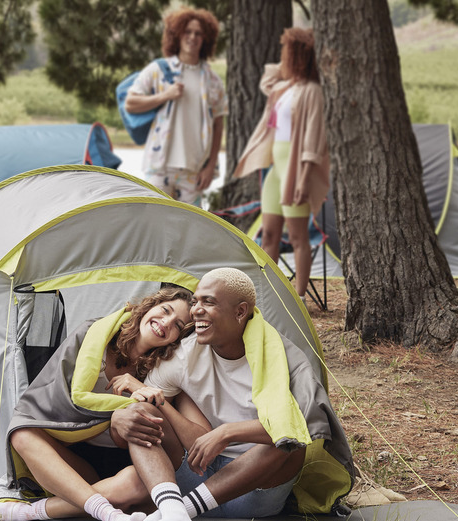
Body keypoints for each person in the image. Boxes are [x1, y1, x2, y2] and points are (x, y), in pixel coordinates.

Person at [109, 268, 355, 521]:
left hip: (257, 491)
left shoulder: (284, 358)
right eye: (196, 301)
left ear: (240, 312)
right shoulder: (183, 355)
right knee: (143, 410)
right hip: (194, 473)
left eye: (208, 302)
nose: (196, 311)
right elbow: (141, 415)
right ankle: (172, 513)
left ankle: (181, 513)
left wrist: (227, 433)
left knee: (288, 443)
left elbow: (304, 426)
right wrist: (127, 413)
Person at [0, 287, 194, 521]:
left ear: (176, 339)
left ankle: (21, 512)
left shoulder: (163, 369)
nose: (165, 323)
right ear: (148, 306)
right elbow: (49, 396)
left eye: (177, 325)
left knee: (137, 484)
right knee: (22, 434)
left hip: (118, 466)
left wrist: (140, 395)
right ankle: (109, 514)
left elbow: (167, 437)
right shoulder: (93, 335)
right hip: (73, 455)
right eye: (165, 310)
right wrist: (114, 412)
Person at [233, 28, 330, 304]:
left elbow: (314, 137)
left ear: (298, 56)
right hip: (277, 166)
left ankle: (298, 299)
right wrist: (291, 55)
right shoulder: (283, 88)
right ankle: (268, 296)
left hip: (297, 167)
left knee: (298, 237)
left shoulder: (312, 91)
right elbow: (269, 77)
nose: (281, 58)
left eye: (286, 53)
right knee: (270, 233)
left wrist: (303, 179)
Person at [125, 7, 227, 207]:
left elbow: (219, 124)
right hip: (160, 166)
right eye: (187, 32)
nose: (192, 37)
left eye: (198, 33)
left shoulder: (213, 80)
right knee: (153, 223)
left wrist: (210, 167)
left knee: (187, 231)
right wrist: (165, 95)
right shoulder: (159, 69)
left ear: (205, 38)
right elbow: (131, 103)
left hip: (194, 170)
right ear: (177, 35)